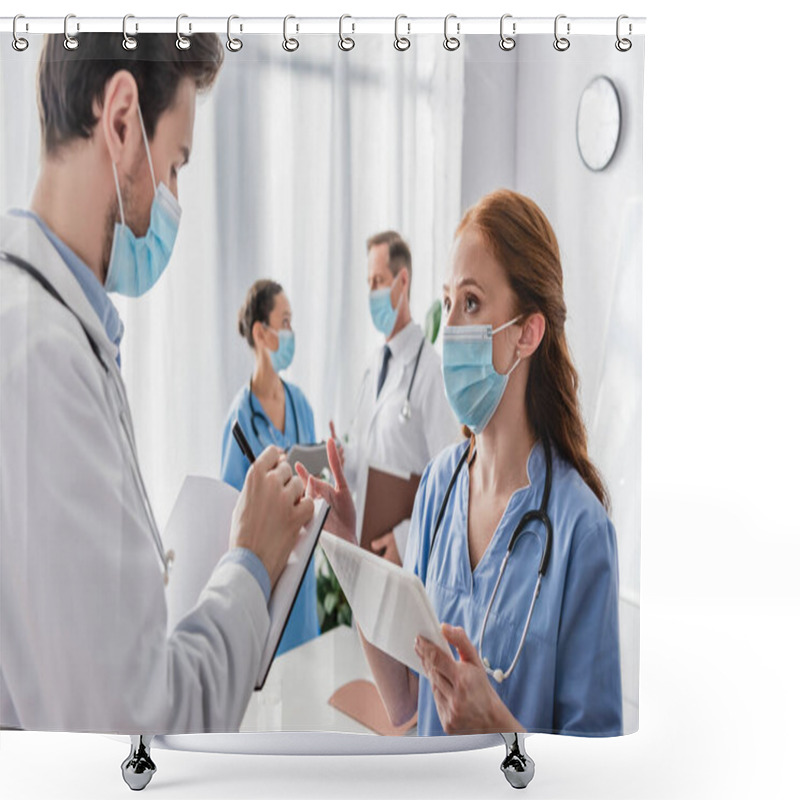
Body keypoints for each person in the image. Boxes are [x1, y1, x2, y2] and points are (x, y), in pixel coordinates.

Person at [0, 34, 313, 734]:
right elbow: (133, 733)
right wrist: (250, 566)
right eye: (173, 166)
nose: (169, 200)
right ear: (120, 121)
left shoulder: (53, 334)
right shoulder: (39, 362)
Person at [300, 189, 623, 736]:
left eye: (471, 303)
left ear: (527, 332)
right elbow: (405, 701)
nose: (449, 327)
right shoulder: (438, 489)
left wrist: (497, 727)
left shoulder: (580, 531)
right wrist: (352, 553)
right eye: (447, 302)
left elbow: (594, 775)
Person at [335, 231, 460, 565]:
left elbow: (449, 480)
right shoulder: (374, 365)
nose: (372, 292)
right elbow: (368, 454)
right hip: (366, 549)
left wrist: (404, 539)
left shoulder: (431, 372)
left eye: (379, 281)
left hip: (404, 555)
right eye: (369, 283)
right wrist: (340, 457)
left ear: (402, 281)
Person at [221, 279, 319, 655]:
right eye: (286, 321)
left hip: (303, 578)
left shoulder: (301, 405)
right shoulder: (240, 418)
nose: (291, 332)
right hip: (264, 576)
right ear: (262, 332)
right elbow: (233, 512)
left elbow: (315, 482)